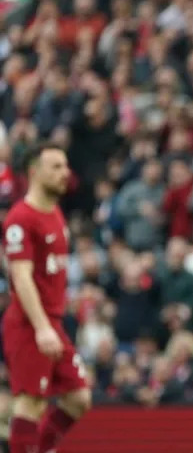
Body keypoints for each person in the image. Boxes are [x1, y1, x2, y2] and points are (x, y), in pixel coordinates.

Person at [2, 142, 92, 453]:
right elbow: (21, 275)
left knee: (79, 398)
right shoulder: (20, 219)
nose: (64, 173)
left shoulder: (54, 211)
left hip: (53, 321)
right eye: (55, 167)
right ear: (33, 172)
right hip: (30, 324)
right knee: (31, 403)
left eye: (65, 166)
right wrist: (41, 327)